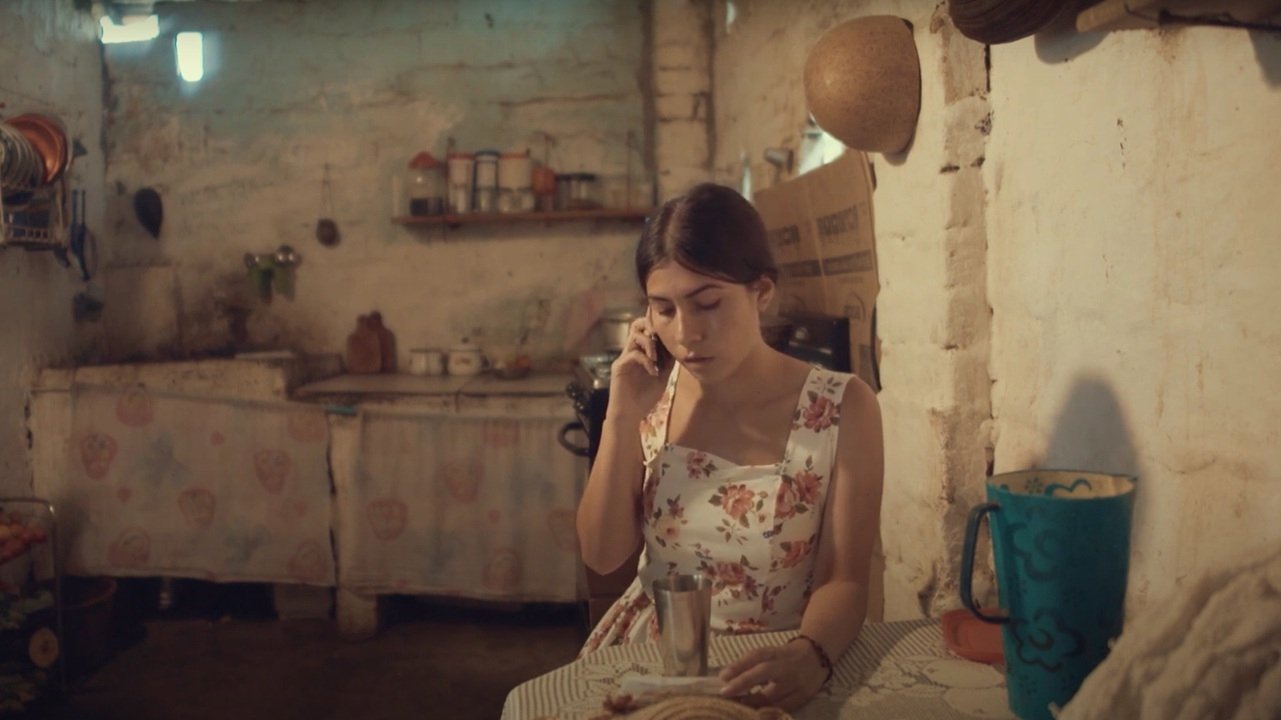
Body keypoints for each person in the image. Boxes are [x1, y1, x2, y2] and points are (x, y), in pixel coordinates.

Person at [575, 182, 884, 711]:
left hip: (772, 661)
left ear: (761, 292)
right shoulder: (649, 394)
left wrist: (810, 654)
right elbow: (603, 555)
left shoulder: (841, 406)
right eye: (664, 309)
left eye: (708, 303)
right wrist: (621, 415)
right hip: (656, 656)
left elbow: (845, 578)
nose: (686, 334)